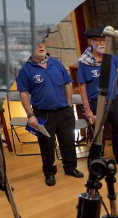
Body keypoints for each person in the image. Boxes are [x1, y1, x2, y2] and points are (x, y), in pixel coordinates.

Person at [17, 41, 83, 187]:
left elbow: (67, 85)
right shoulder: (25, 68)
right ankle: (49, 173)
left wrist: (69, 105)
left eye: (43, 43)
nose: (41, 46)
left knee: (68, 142)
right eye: (37, 44)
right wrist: (30, 115)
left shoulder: (56, 63)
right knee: (46, 146)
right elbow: (23, 93)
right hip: (43, 114)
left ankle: (70, 167)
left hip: (64, 111)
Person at [78, 28, 118, 166]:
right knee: (99, 134)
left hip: (114, 101)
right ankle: (97, 160)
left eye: (104, 40)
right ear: (90, 42)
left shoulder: (111, 57)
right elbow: (82, 87)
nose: (102, 43)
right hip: (97, 103)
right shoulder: (84, 62)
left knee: (117, 130)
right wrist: (87, 109)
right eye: (98, 40)